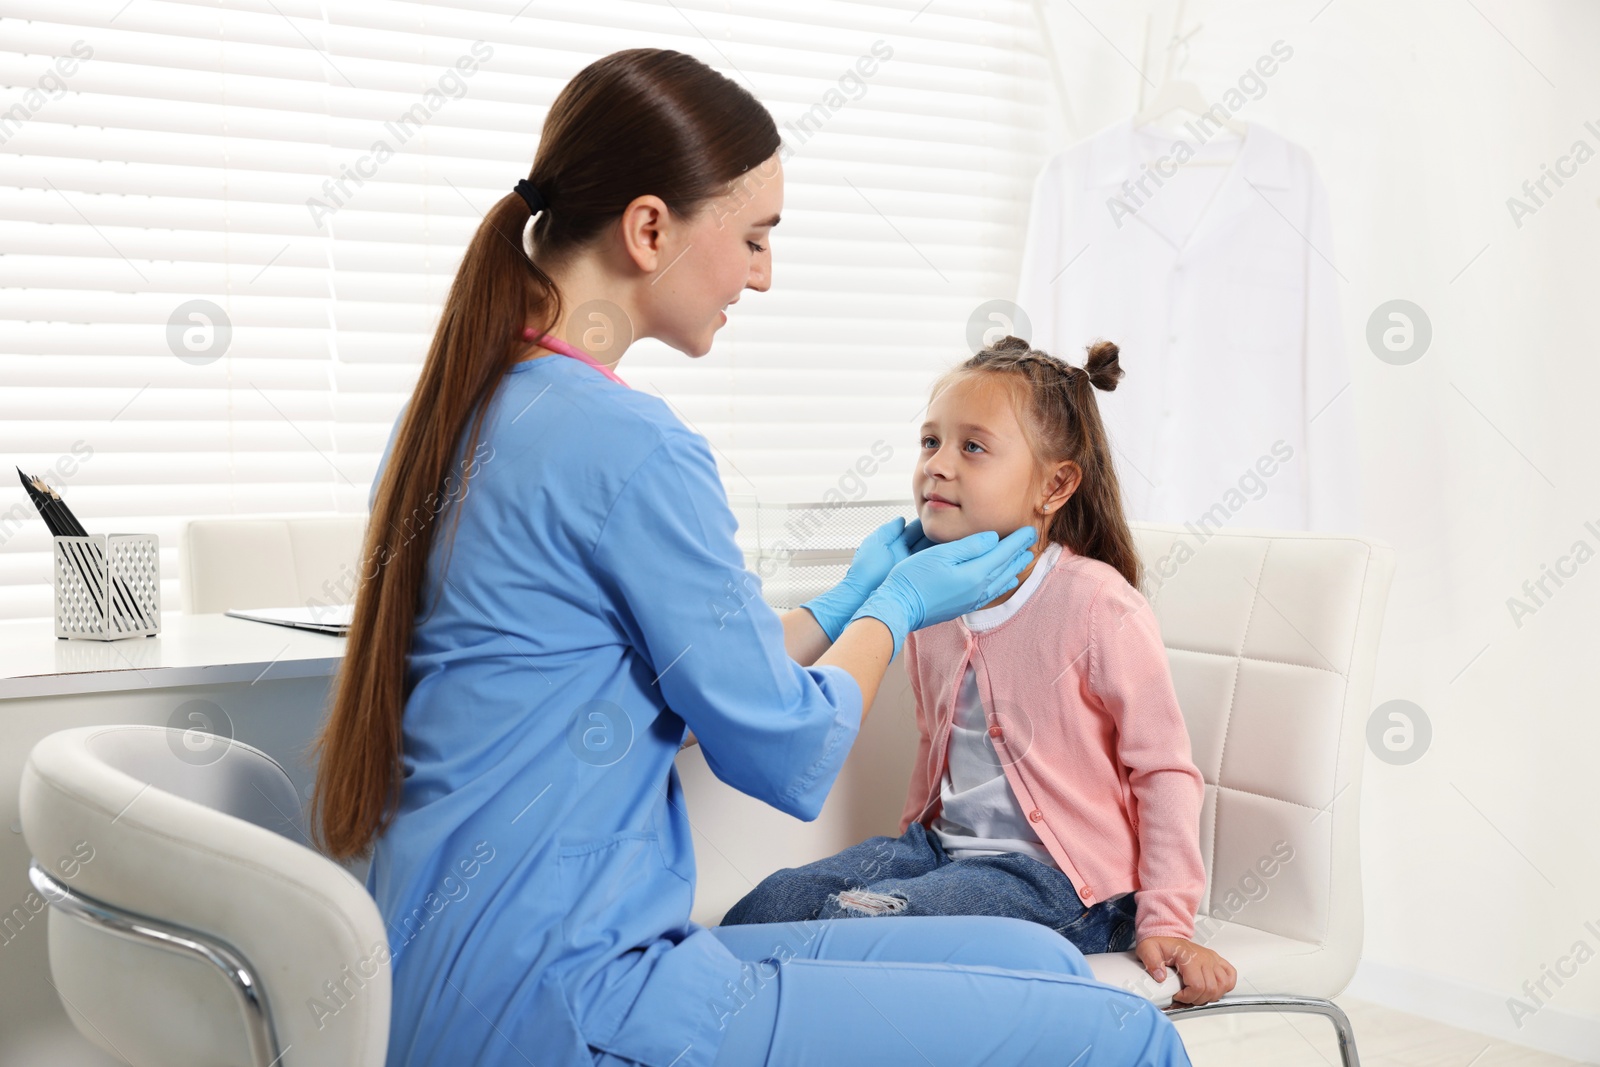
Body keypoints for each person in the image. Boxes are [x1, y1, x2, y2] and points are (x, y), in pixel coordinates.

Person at [308, 48, 1195, 1067]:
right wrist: (894, 604)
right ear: (651, 228)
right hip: (574, 1000)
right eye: (755, 238)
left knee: (1035, 957)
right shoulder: (631, 444)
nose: (763, 274)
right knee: (1124, 1035)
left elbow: (688, 673)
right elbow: (782, 747)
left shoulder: (455, 416)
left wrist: (843, 598)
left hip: (445, 982)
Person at [723, 335, 1239, 1007]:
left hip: (1061, 881)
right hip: (939, 851)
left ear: (1054, 484)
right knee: (763, 910)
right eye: (930, 441)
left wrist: (1168, 919)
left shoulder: (1096, 604)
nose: (938, 465)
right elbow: (936, 752)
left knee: (851, 930)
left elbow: (1164, 770)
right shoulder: (935, 600)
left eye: (972, 447)